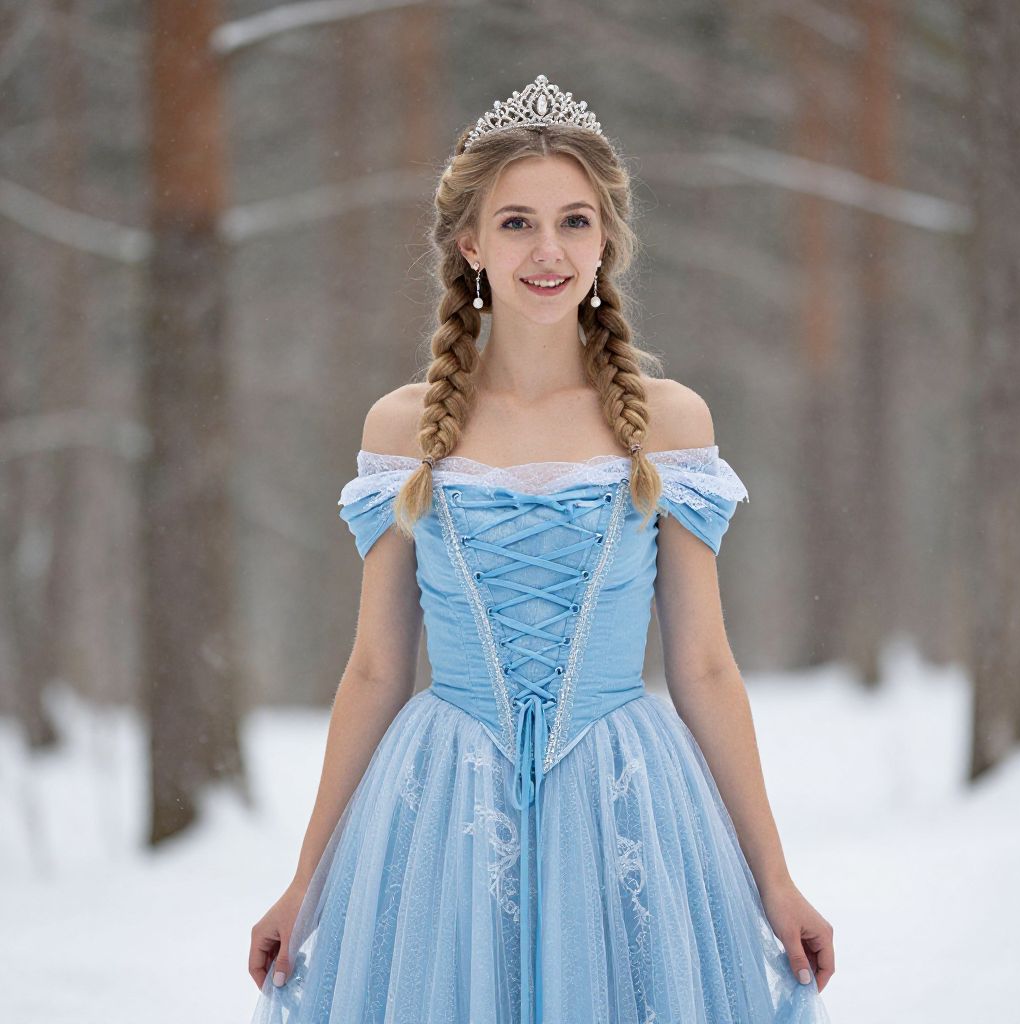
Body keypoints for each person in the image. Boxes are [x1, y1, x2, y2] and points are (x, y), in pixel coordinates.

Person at [248, 73, 834, 1024]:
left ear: (606, 242)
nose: (548, 250)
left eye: (574, 221)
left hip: (623, 799)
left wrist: (775, 877)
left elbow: (705, 666)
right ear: (471, 244)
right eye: (517, 223)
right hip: (445, 809)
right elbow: (375, 669)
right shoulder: (404, 428)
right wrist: (306, 883)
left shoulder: (668, 422)